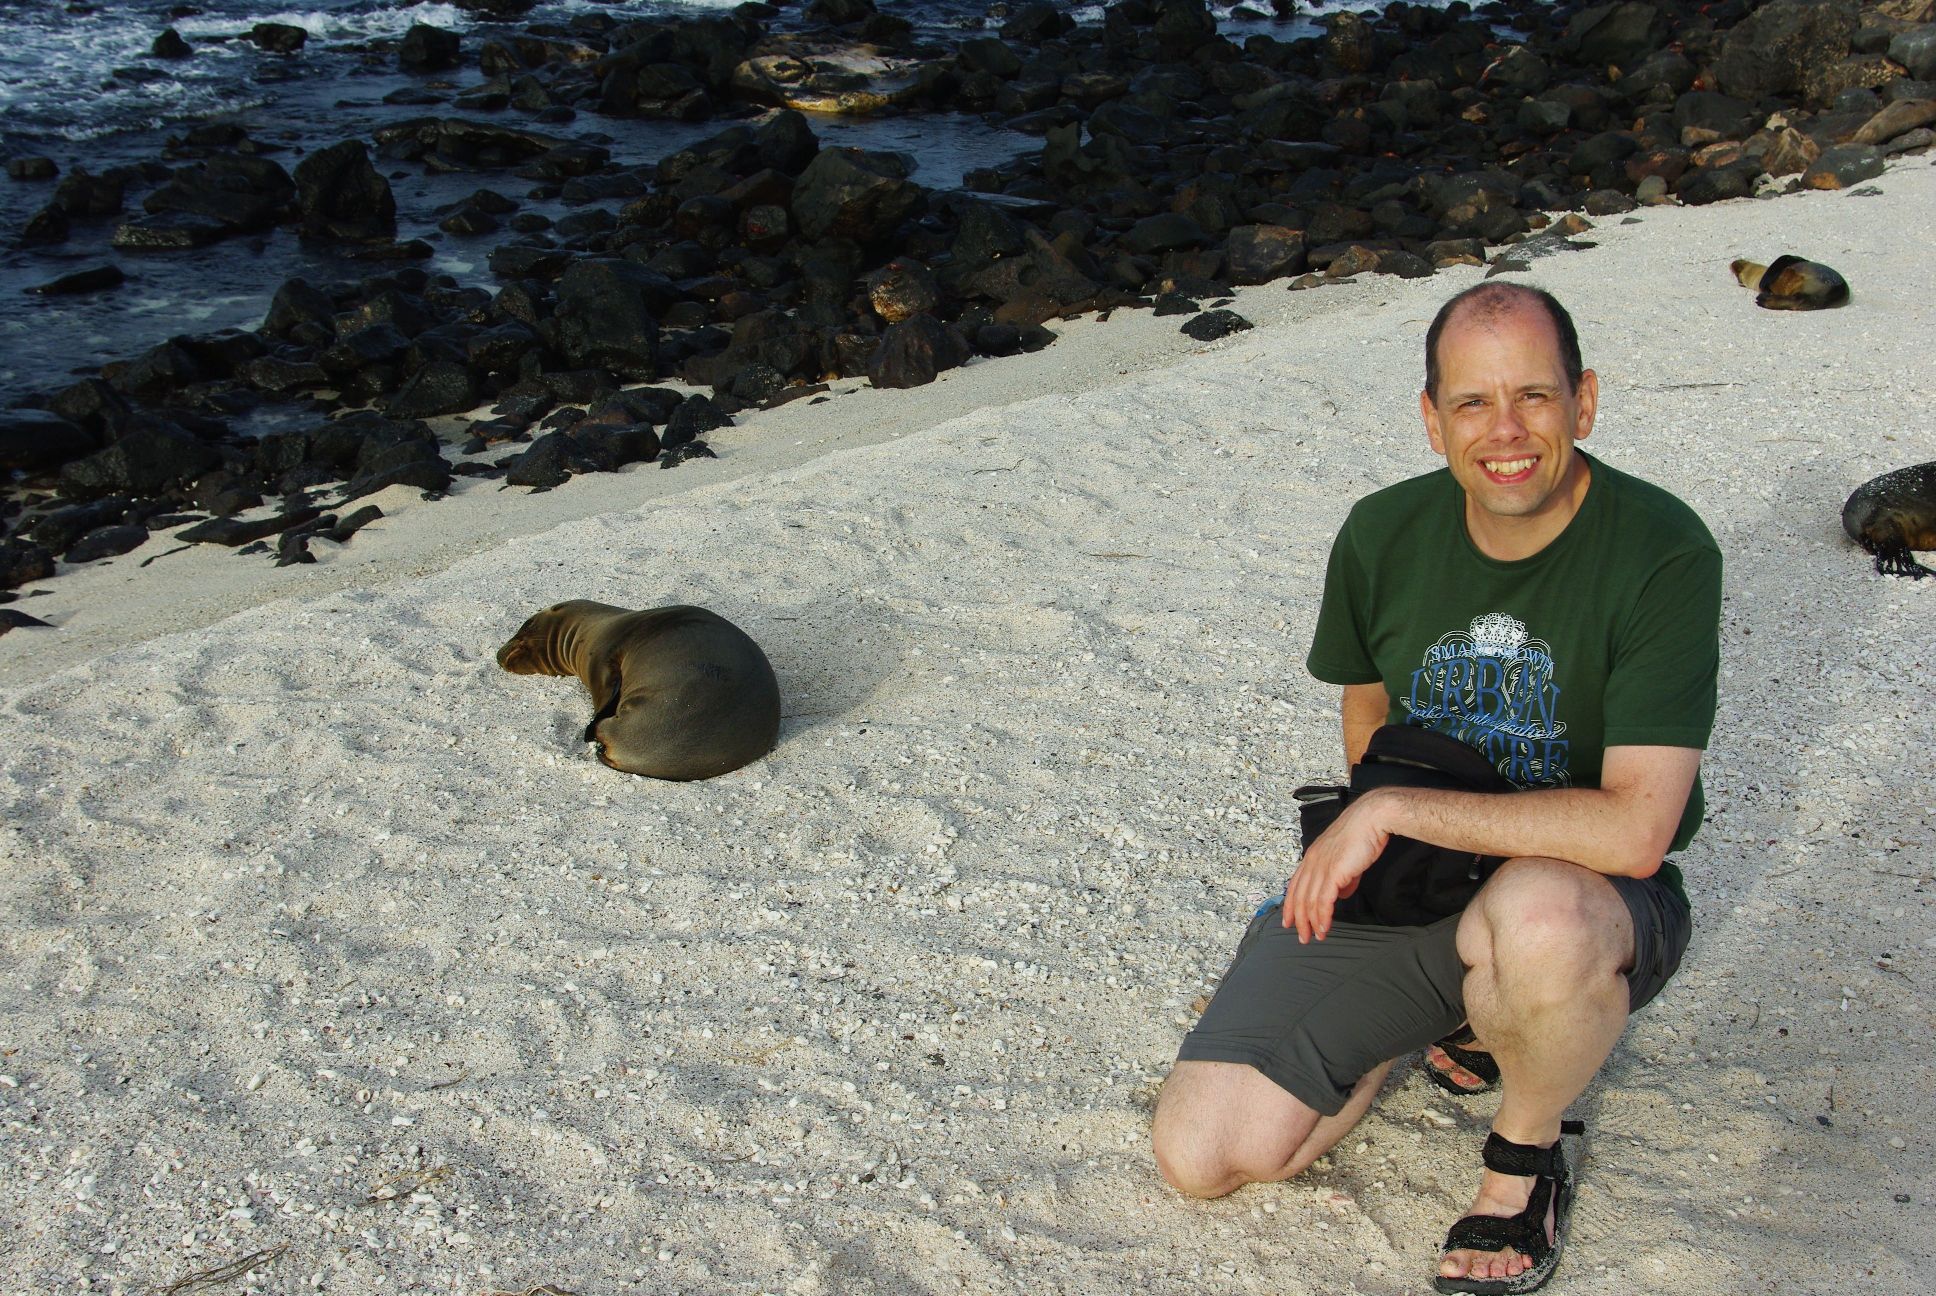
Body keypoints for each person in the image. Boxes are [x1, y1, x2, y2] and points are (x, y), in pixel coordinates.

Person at [1150, 281, 1721, 1293]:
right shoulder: (1380, 535)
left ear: (1583, 403)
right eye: (1471, 403)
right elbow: (1368, 715)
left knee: (1537, 923)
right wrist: (1381, 843)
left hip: (1588, 897)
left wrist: (1393, 811)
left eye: (1534, 398)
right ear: (1431, 418)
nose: (1504, 432)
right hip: (1421, 883)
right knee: (1205, 1157)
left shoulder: (1659, 551)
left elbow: (1638, 831)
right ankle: (1452, 1014)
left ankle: (1524, 1159)